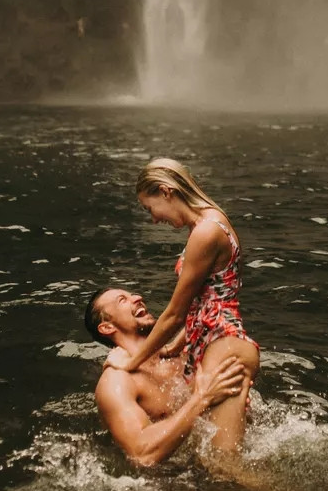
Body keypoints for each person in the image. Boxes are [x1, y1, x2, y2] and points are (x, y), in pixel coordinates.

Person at [104, 157, 260, 453]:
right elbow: (210, 301)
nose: (153, 219)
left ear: (165, 191)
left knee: (225, 468)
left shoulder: (205, 232)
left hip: (224, 347)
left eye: (149, 208)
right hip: (218, 343)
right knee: (211, 459)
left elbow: (175, 314)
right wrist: (175, 347)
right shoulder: (209, 222)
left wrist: (131, 362)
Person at [84, 286, 248, 466]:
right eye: (122, 300)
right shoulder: (116, 381)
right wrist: (202, 399)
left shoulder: (182, 357)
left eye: (132, 294)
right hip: (165, 482)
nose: (138, 297)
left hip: (210, 463)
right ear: (107, 327)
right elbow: (142, 453)